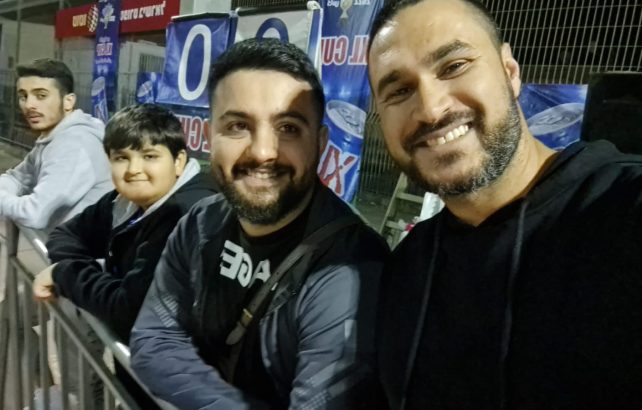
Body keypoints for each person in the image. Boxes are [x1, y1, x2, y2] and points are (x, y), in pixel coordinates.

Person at [367, 1, 642, 409]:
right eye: (399, 91)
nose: (430, 109)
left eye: (454, 66)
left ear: (509, 72)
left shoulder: (621, 210)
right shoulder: (406, 268)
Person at [130, 38, 388, 410]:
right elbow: (154, 341)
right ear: (209, 137)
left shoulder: (352, 266)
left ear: (320, 143)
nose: (263, 152)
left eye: (289, 128)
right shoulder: (200, 223)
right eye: (238, 126)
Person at [32, 103, 218, 407]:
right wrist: (86, 270)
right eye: (121, 158)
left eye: (150, 156)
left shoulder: (187, 214)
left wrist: (63, 274)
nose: (133, 170)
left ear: (179, 161)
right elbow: (67, 234)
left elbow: (130, 313)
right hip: (145, 379)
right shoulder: (126, 200)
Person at [0, 58, 112, 231]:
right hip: (62, 242)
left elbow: (33, 214)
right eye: (23, 96)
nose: (29, 105)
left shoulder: (75, 144)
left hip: (86, 247)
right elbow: (16, 178)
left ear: (68, 101)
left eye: (41, 96)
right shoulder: (52, 137)